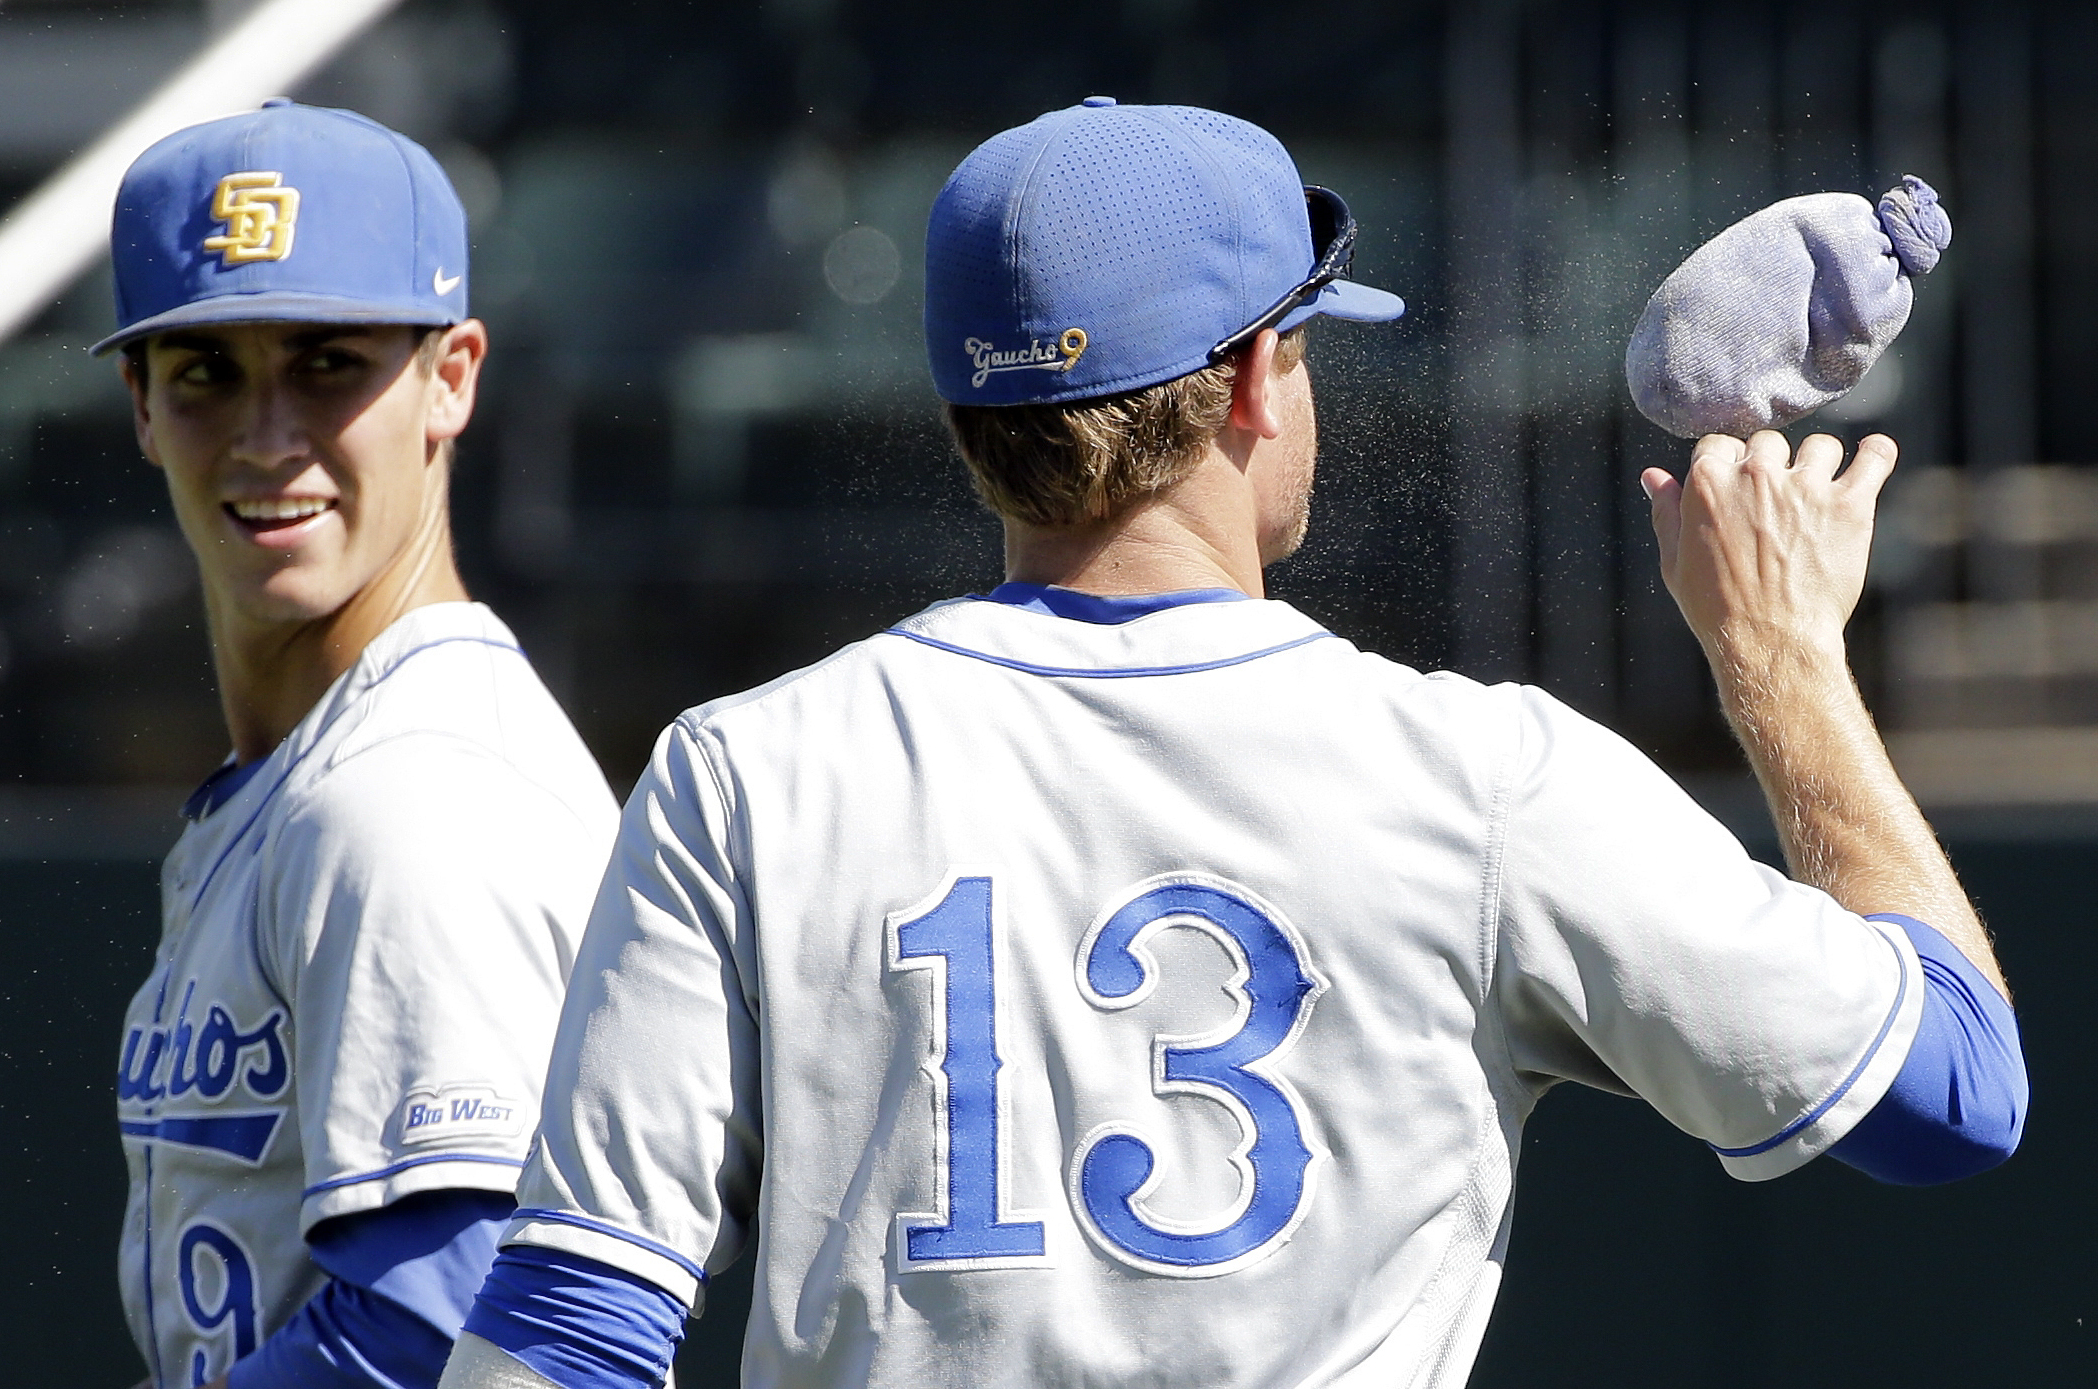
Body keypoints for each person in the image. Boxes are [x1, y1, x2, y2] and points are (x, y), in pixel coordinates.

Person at [439, 100, 2026, 1389]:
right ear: (1261, 376)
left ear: (959, 411)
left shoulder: (744, 770)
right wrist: (1780, 658)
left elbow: (569, 1334)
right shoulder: (1478, 780)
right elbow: (1950, 1095)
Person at [106, 101, 619, 1389]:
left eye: (329, 361)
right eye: (206, 371)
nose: (267, 437)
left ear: (450, 379)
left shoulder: (414, 799)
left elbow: (442, 1329)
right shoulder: (327, 773)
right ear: (141, 406)